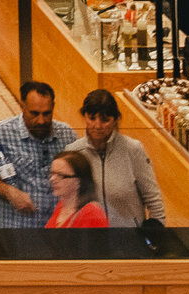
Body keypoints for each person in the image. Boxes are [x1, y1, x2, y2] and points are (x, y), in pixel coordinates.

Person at [0, 81, 76, 228]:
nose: (41, 120)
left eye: (47, 114)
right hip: (17, 233)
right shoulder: (0, 134)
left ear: (53, 107)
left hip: (56, 234)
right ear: (23, 107)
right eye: (34, 114)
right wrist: (9, 192)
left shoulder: (67, 135)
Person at [69, 87, 166, 228]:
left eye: (105, 120)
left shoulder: (133, 150)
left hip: (129, 241)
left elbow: (154, 200)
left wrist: (157, 234)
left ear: (115, 120)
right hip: (89, 241)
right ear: (84, 117)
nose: (98, 126)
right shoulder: (74, 152)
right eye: (92, 118)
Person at [45, 149, 109, 227]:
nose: (52, 179)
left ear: (79, 181)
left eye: (61, 175)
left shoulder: (91, 214)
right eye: (52, 173)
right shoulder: (61, 206)